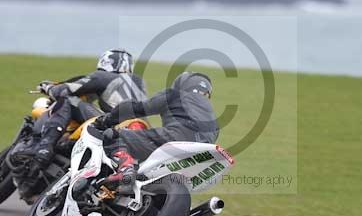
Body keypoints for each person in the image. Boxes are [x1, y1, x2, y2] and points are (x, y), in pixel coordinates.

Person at [13, 49, 146, 197]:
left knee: (68, 99)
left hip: (113, 124)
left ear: (106, 62)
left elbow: (67, 90)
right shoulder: (138, 82)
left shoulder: (102, 76)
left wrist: (48, 87)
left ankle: (45, 148)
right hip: (139, 130)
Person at [93, 71, 219, 195]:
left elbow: (136, 108)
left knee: (114, 136)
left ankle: (126, 171)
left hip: (174, 139)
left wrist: (107, 119)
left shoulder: (175, 94)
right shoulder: (214, 119)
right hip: (200, 155)